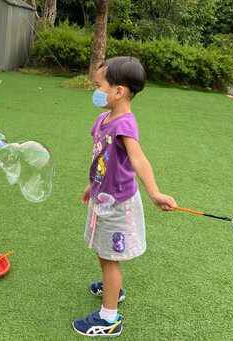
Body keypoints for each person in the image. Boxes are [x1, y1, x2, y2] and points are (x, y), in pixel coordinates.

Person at [72, 57, 177, 337]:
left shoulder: (125, 124)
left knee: (109, 257)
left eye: (99, 85)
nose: (95, 90)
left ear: (117, 91)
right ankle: (111, 289)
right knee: (101, 250)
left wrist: (154, 192)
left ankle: (109, 319)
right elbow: (100, 159)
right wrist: (90, 185)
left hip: (118, 204)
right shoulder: (103, 118)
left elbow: (139, 160)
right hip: (102, 196)